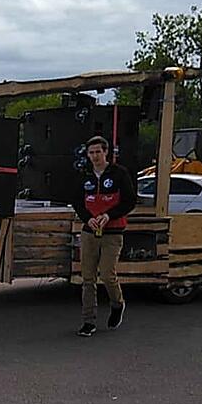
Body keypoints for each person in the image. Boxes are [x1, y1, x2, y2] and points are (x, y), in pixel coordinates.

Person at [72, 136, 137, 337]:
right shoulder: (84, 175)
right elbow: (77, 201)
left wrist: (109, 215)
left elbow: (129, 201)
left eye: (98, 152)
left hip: (113, 231)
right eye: (91, 153)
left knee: (107, 274)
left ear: (106, 152)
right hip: (89, 231)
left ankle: (117, 304)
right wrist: (87, 218)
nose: (95, 156)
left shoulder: (119, 173)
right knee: (88, 278)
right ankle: (88, 321)